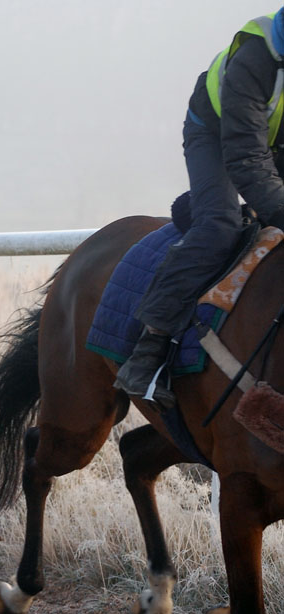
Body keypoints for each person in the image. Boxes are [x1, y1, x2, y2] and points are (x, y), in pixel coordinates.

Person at [115, 8, 284, 408]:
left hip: (274, 142)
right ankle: (150, 348)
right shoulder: (256, 57)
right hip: (216, 134)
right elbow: (246, 159)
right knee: (220, 227)